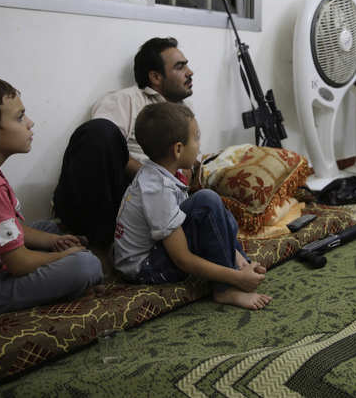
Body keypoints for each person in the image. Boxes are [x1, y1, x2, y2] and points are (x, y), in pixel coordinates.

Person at [0, 77, 102, 319]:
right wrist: (62, 256)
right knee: (85, 265)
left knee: (47, 229)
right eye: (20, 117)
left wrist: (51, 241)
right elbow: (20, 264)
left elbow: (11, 226)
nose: (30, 123)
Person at [113, 103, 272, 310]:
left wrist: (238, 257)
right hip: (145, 268)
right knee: (207, 202)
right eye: (196, 138)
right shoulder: (157, 189)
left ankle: (240, 264)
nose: (199, 145)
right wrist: (235, 278)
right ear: (178, 149)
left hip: (157, 252)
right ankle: (225, 289)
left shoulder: (163, 173)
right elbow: (183, 260)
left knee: (217, 211)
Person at [53, 37, 194, 247]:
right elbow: (102, 147)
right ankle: (97, 244)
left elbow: (188, 164)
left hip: (162, 200)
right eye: (180, 67)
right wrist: (154, 180)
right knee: (99, 131)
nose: (190, 72)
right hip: (119, 197)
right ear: (155, 76)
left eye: (186, 65)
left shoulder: (185, 112)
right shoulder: (126, 100)